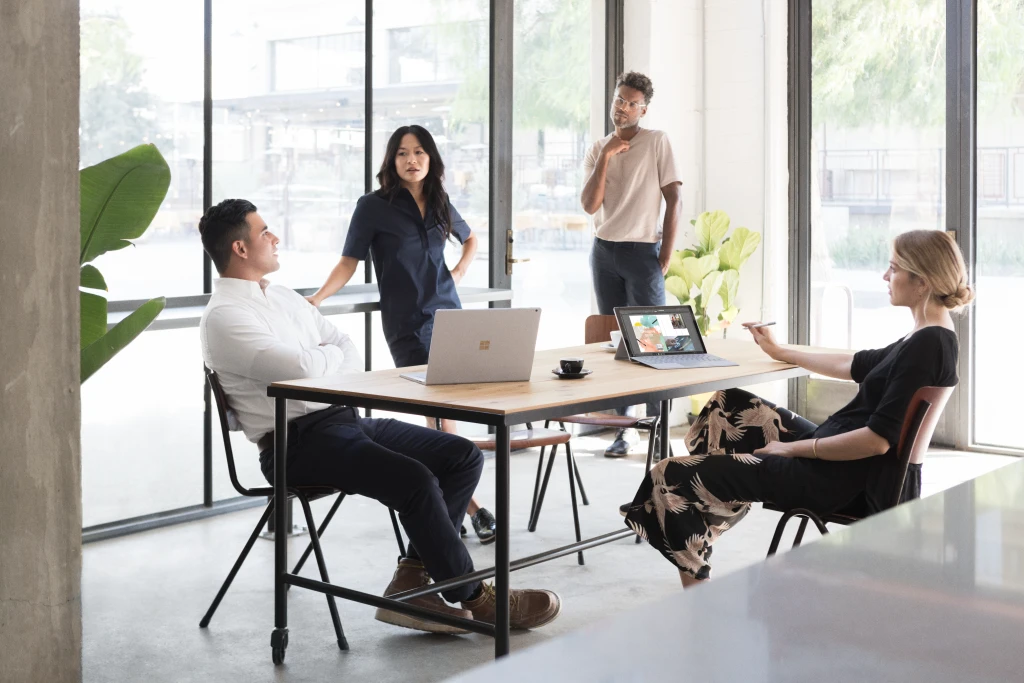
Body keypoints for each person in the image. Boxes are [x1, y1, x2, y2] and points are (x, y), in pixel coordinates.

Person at [198, 198, 561, 633]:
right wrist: (320, 355)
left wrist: (319, 355)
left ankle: (411, 583)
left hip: (343, 422)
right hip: (293, 444)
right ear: (240, 248)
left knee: (461, 455)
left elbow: (346, 350)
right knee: (414, 480)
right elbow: (301, 370)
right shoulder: (225, 316)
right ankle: (476, 597)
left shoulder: (281, 297)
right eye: (264, 232)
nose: (275, 238)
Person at [623, 230, 972, 587]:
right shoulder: (927, 335)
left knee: (668, 475)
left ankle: (698, 587)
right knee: (726, 405)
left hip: (842, 480)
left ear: (922, 282)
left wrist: (789, 449)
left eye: (894, 268)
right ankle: (709, 512)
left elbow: (876, 441)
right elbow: (855, 364)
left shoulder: (929, 344)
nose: (885, 277)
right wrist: (780, 352)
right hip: (846, 465)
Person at [307, 125, 497, 544]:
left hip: (450, 314)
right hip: (407, 322)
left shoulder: (440, 200)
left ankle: (457, 504)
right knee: (437, 410)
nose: (412, 160)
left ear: (431, 158)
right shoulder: (372, 206)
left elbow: (470, 238)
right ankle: (472, 508)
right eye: (402, 153)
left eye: (419, 152)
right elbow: (348, 262)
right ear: (391, 161)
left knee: (445, 410)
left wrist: (460, 271)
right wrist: (317, 298)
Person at [581, 71, 682, 457]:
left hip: (642, 254)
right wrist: (606, 156)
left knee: (653, 342)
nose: (621, 108)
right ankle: (626, 429)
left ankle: (659, 429)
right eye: (618, 100)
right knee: (615, 339)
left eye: (630, 103)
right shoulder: (597, 149)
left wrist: (665, 257)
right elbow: (590, 205)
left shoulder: (657, 142)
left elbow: (675, 199)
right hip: (603, 252)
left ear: (644, 109)